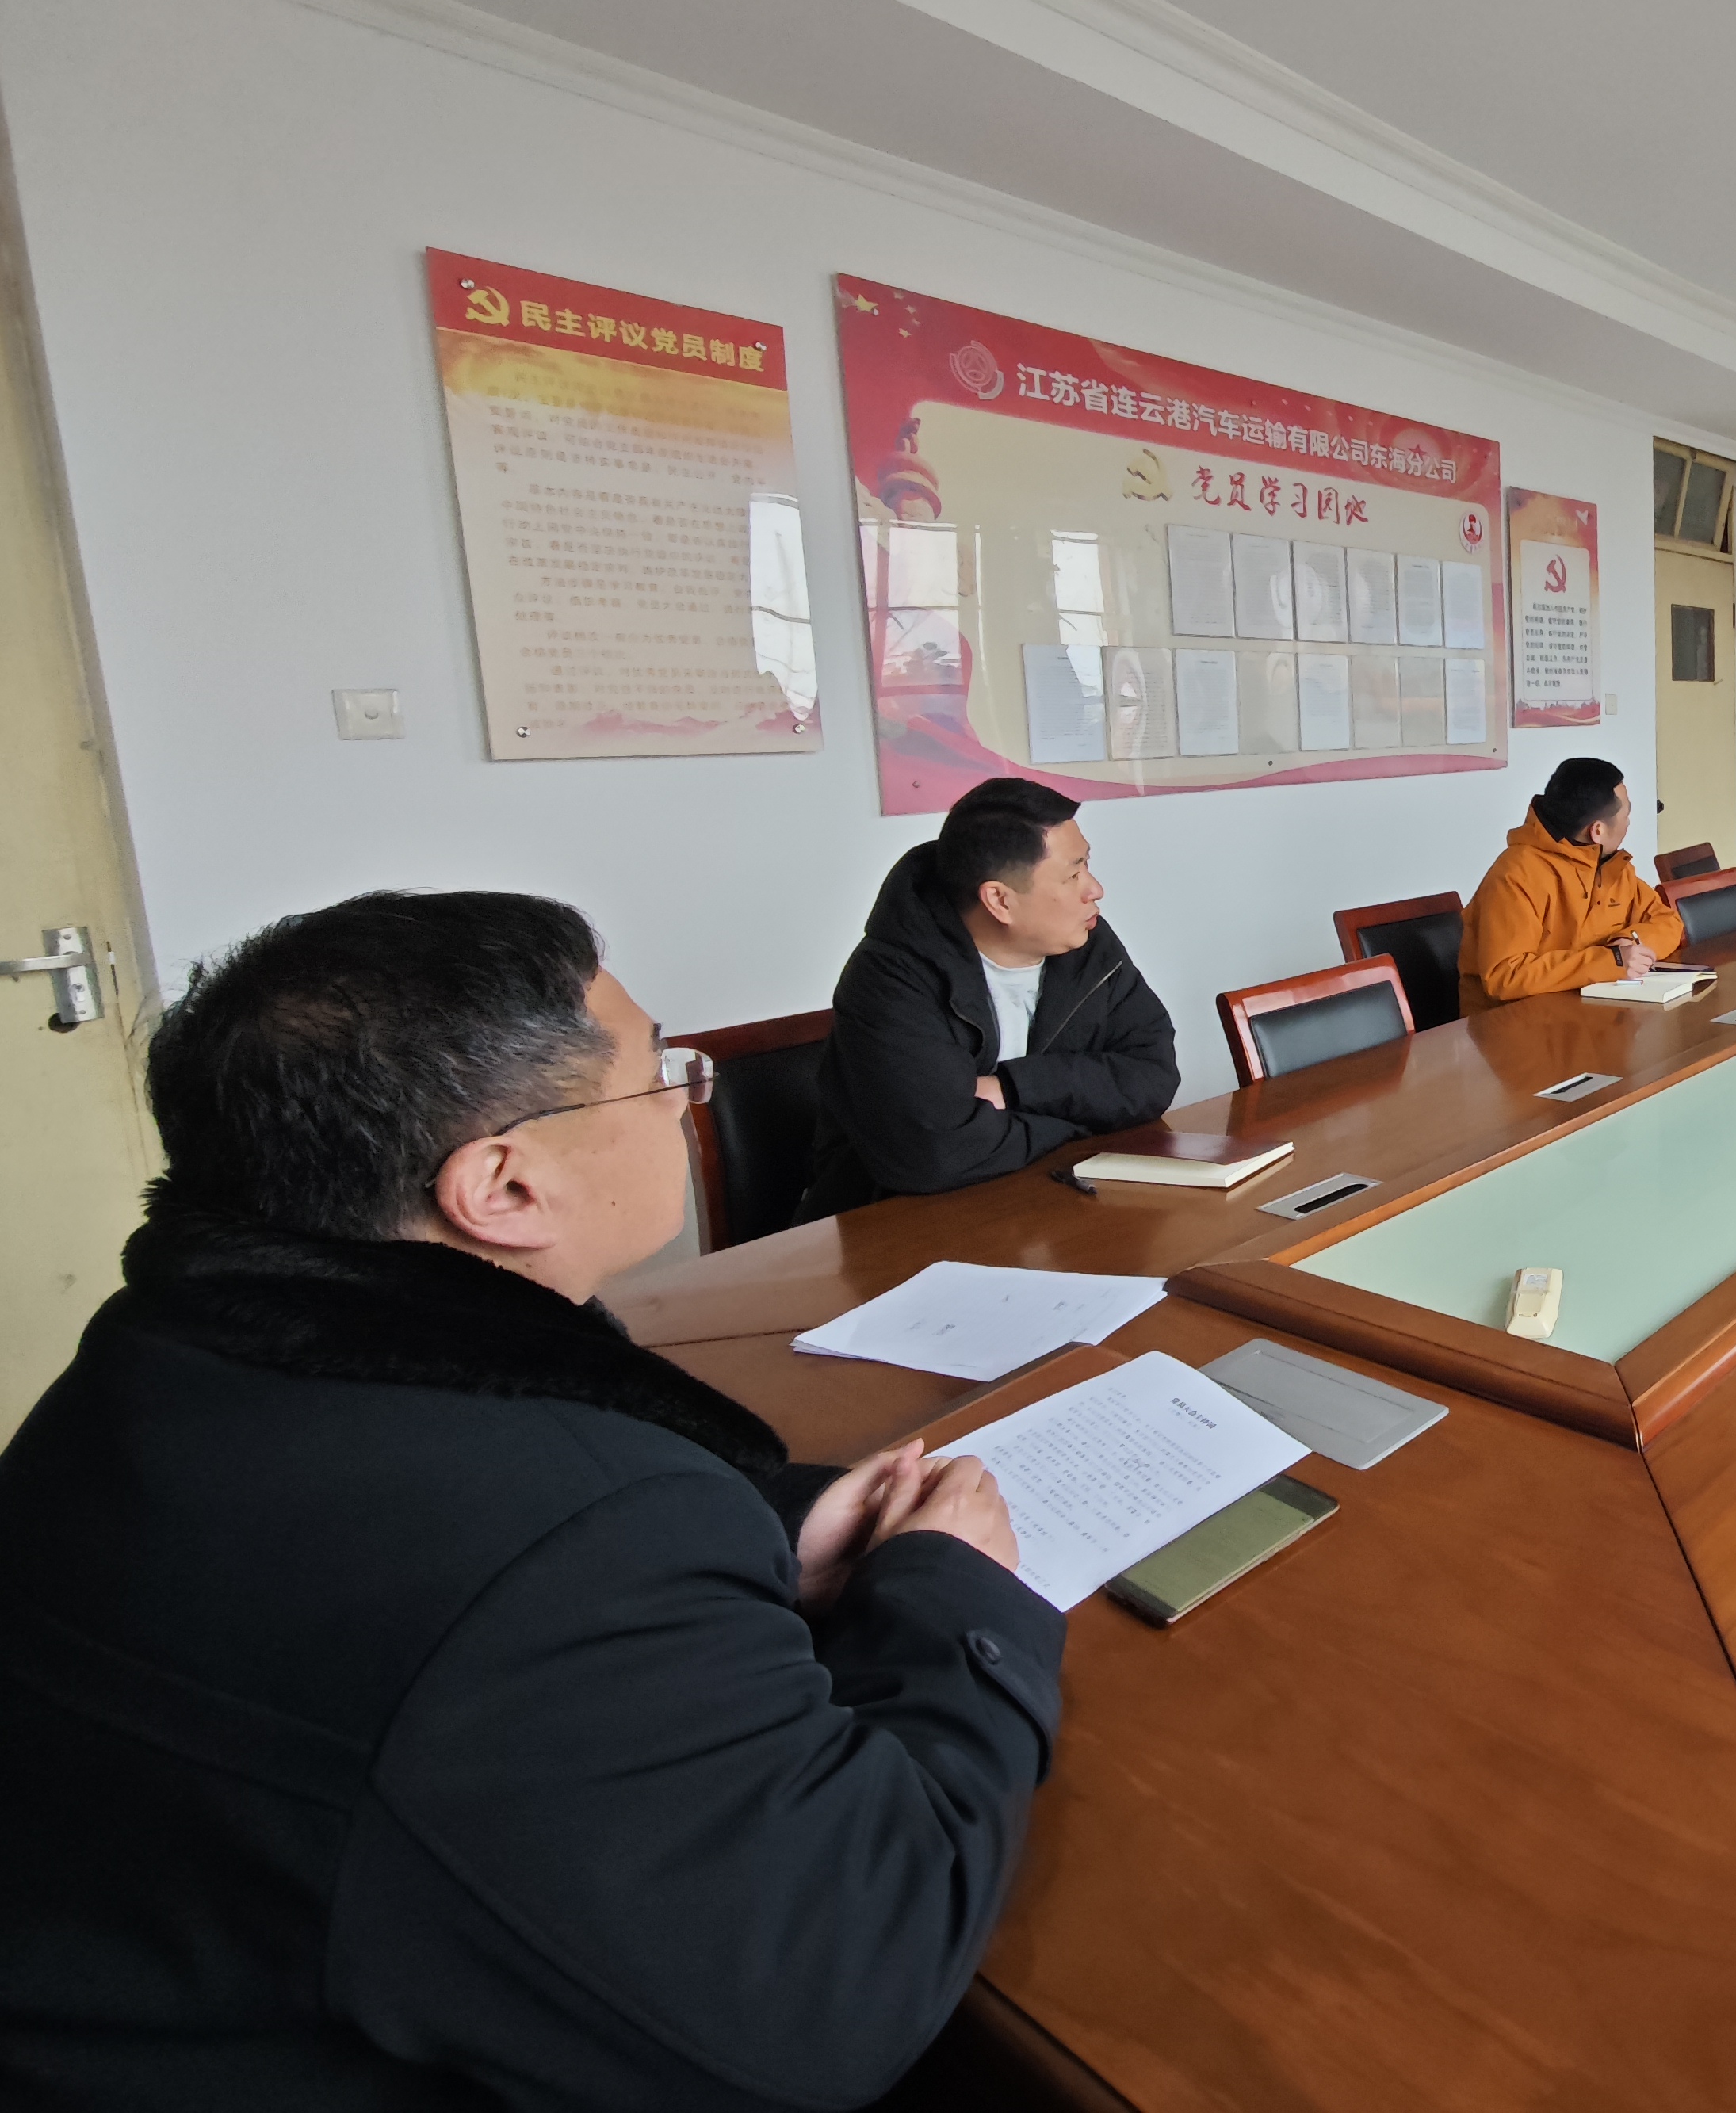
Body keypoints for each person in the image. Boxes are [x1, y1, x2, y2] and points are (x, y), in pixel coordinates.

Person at [0, 892, 1061, 2105]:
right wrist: (950, 1601)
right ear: (501, 1188)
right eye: (657, 1074)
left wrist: (774, 1531)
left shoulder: (156, 1356)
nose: (683, 1099)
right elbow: (839, 1993)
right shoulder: (573, 1542)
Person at [806, 775, 1177, 1215]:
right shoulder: (889, 978)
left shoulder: (1086, 942)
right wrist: (1082, 1119)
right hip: (898, 1225)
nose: (1094, 889)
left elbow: (1154, 1077)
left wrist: (1014, 1088)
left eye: (1087, 865)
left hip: (1041, 1203)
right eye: (1074, 873)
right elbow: (937, 1155)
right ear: (999, 900)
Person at [1462, 755, 1684, 1011]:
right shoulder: (1516, 875)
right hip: (1516, 1022)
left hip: (1589, 1012)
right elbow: (1505, 976)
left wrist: (1628, 943)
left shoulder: (1610, 867)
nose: (1628, 823)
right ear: (1597, 831)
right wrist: (1611, 960)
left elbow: (1668, 922)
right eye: (1627, 815)